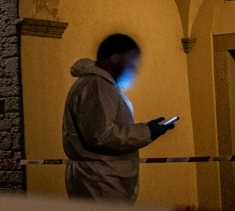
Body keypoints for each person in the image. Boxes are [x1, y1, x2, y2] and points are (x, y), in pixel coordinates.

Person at [62, 33, 175, 202]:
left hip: (101, 177)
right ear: (115, 59)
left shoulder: (101, 85)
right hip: (100, 181)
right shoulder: (97, 86)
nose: (134, 67)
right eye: (131, 60)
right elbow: (101, 136)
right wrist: (147, 131)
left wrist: (147, 130)